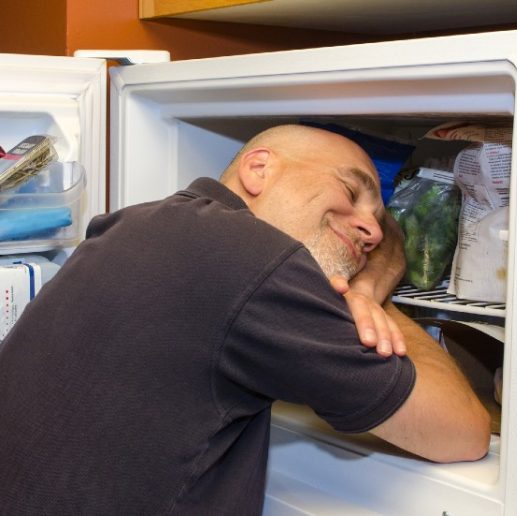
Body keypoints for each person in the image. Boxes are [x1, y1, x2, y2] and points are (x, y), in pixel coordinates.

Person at [0, 124, 490, 515]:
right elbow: (462, 431)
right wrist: (374, 304)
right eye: (350, 189)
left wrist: (366, 287)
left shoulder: (144, 222)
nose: (367, 229)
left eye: (375, 219)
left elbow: (386, 243)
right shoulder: (254, 259)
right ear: (258, 169)